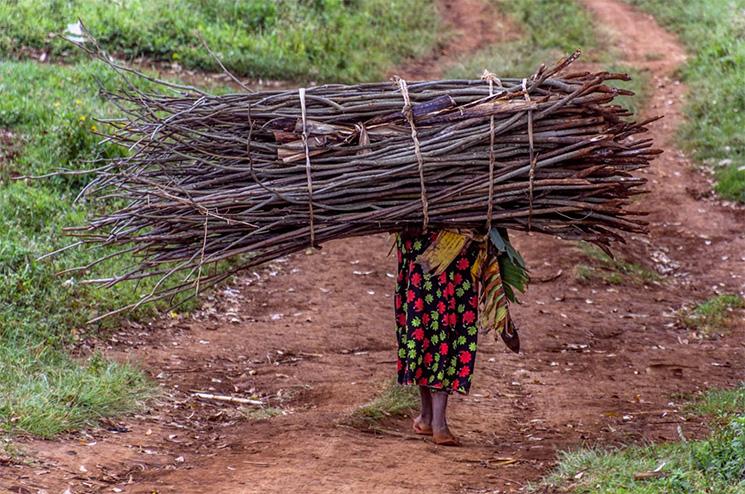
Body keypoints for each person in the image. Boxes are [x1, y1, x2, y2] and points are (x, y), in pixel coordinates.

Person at [394, 229, 483, 446]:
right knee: (446, 329)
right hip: (450, 252)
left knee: (421, 329)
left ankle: (427, 417)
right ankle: (438, 425)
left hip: (418, 249)